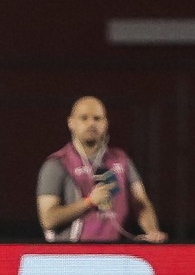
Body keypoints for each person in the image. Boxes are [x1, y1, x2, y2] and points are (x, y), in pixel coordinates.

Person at [37, 95, 166, 243]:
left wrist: (152, 231)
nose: (91, 123)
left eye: (97, 118)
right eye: (84, 118)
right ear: (71, 123)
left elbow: (140, 202)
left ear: (105, 123)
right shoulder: (57, 164)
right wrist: (90, 202)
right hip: (71, 256)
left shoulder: (121, 160)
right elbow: (48, 219)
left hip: (112, 253)